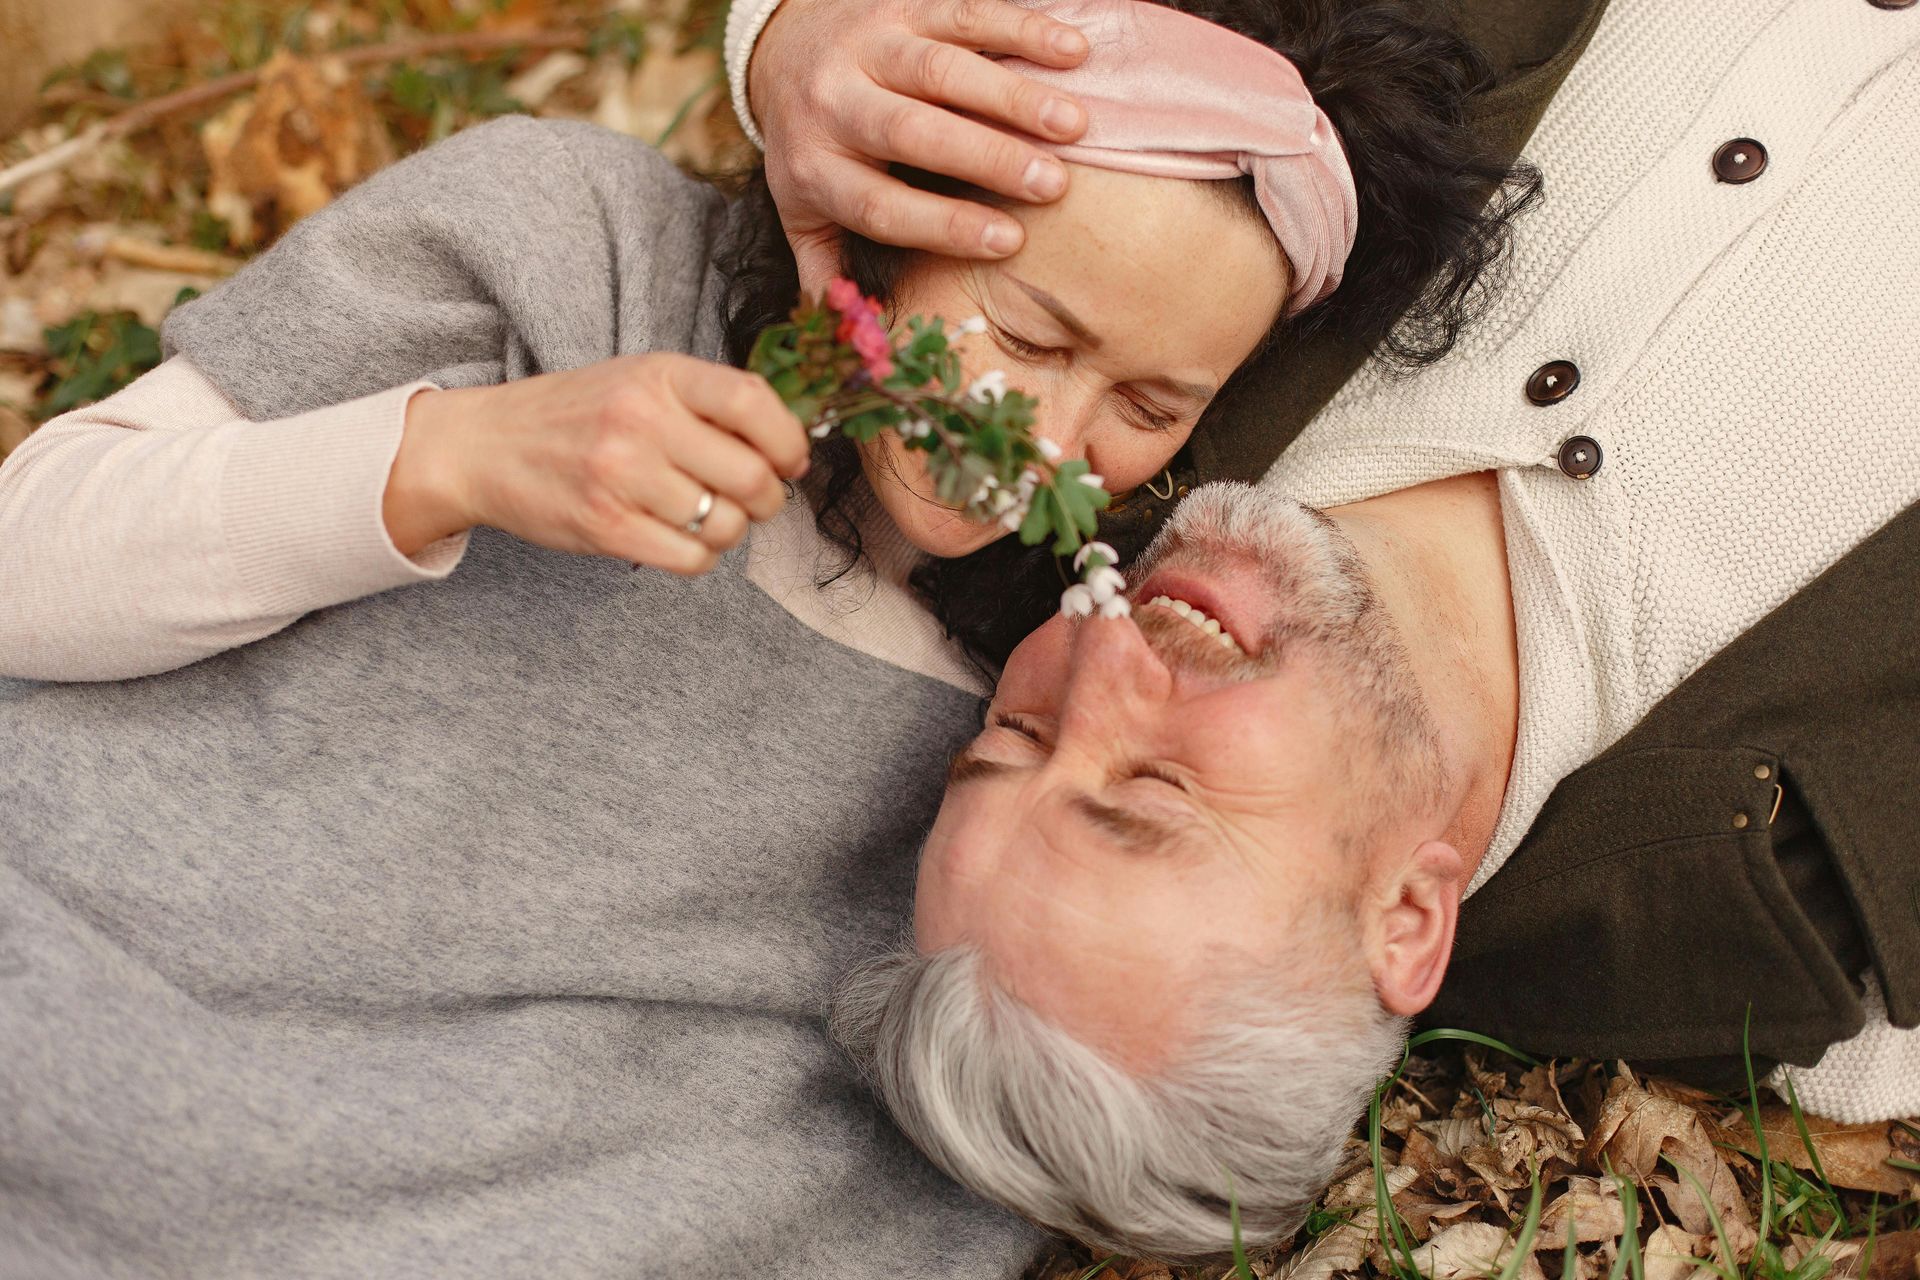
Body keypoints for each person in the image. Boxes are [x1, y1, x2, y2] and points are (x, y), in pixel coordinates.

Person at [0, 2, 1538, 1276]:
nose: (1048, 440)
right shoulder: (572, 255)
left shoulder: (1034, 719)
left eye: (1148, 408)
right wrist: (449, 461)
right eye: (1028, 336)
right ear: (879, 213)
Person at [789, 0, 1920, 1263]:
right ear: (1406, 921)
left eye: (1013, 730)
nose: (1100, 652)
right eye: (1154, 788)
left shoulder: (1099, 396)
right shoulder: (1820, 914)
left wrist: (793, 42)